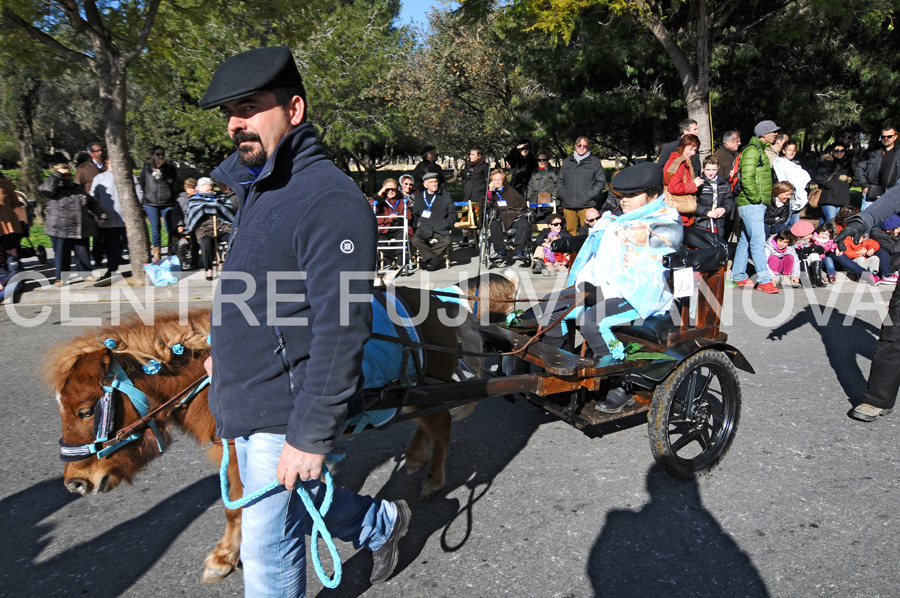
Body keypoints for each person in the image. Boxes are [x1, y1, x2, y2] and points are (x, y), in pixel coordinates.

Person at [198, 46, 410, 595]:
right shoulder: (260, 190)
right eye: (229, 112)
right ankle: (379, 523)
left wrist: (311, 436)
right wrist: (226, 354)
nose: (234, 123)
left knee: (267, 556)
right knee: (294, 496)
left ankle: (375, 522)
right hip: (247, 393)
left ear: (294, 110)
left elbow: (341, 329)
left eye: (249, 106)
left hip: (284, 410)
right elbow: (264, 293)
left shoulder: (329, 199)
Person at [529, 161, 682, 412]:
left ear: (653, 196)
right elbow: (601, 246)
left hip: (640, 293)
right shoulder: (618, 220)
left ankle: (619, 384)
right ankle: (565, 374)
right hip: (607, 286)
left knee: (593, 321)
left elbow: (649, 261)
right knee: (550, 307)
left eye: (633, 195)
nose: (624, 201)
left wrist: (615, 233)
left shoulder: (665, 222)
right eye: (623, 196)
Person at [731, 120, 780, 294]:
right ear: (763, 134)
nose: (776, 134)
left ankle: (738, 276)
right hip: (752, 204)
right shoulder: (753, 150)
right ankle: (765, 280)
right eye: (773, 131)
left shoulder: (757, 148)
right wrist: (756, 198)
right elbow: (747, 177)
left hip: (753, 204)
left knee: (746, 240)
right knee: (758, 242)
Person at [39, 164, 107, 284]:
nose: (67, 177)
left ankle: (86, 274)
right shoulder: (52, 189)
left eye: (69, 174)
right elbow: (45, 189)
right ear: (56, 175)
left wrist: (100, 214)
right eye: (63, 175)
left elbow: (91, 202)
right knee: (61, 254)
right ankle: (61, 278)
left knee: (83, 253)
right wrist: (57, 176)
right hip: (59, 228)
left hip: (79, 226)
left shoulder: (77, 188)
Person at [89, 158, 138, 284]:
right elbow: (93, 198)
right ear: (107, 165)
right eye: (111, 163)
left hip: (128, 219)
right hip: (108, 220)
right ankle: (112, 269)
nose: (113, 165)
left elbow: (139, 192)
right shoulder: (99, 178)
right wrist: (98, 214)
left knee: (132, 245)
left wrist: (136, 208)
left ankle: (138, 268)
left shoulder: (129, 176)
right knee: (112, 247)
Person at [184, 177, 234, 281]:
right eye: (207, 191)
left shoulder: (220, 197)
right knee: (206, 242)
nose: (210, 192)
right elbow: (193, 211)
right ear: (199, 189)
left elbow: (229, 208)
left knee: (233, 237)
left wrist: (216, 206)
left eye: (211, 190)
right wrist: (211, 206)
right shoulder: (193, 200)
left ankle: (234, 264)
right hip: (204, 228)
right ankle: (209, 269)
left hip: (221, 225)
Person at [556, 136, 607, 236]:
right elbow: (560, 180)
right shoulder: (567, 162)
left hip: (587, 205)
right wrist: (564, 195)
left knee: (588, 233)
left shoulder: (595, 162)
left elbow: (601, 181)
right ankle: (572, 252)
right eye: (579, 145)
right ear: (575, 146)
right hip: (568, 204)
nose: (582, 147)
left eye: (585, 146)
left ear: (588, 147)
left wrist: (590, 194)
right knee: (570, 233)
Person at [139, 145, 178, 261]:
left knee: (170, 228)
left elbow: (171, 181)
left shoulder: (170, 168)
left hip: (167, 203)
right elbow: (141, 184)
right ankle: (157, 254)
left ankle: (172, 252)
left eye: (162, 154)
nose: (160, 156)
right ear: (152, 156)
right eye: (158, 154)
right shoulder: (146, 168)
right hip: (151, 203)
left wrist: (162, 169)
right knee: (155, 229)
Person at [411, 171, 454, 271]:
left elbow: (453, 214)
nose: (435, 184)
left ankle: (426, 259)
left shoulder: (445, 196)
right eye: (431, 182)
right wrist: (418, 223)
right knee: (415, 240)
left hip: (440, 227)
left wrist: (446, 224)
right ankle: (434, 259)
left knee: (447, 240)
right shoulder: (419, 197)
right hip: (424, 228)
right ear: (425, 184)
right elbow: (415, 213)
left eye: (436, 181)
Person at [486, 169, 528, 262]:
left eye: (500, 180)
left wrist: (512, 210)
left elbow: (521, 204)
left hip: (513, 217)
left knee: (524, 223)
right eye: (495, 180)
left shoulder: (510, 191)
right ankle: (500, 250)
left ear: (503, 181)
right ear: (491, 181)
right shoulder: (488, 193)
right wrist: (490, 191)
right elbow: (485, 205)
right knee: (494, 224)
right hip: (498, 218)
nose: (497, 182)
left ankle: (518, 250)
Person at [855, 125, 900, 210]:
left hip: (892, 192)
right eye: (883, 136)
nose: (886, 138)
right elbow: (859, 167)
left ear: (895, 137)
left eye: (889, 136)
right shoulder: (872, 151)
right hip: (872, 190)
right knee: (866, 220)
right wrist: (864, 185)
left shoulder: (898, 153)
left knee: (888, 222)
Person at [663, 134, 703, 223]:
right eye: (690, 149)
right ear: (682, 147)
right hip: (678, 215)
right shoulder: (678, 164)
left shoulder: (682, 162)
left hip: (679, 214)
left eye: (695, 150)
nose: (692, 153)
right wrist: (694, 185)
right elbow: (674, 187)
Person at [0, 173, 26, 303]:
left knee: (12, 262)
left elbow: (15, 203)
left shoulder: (5, 184)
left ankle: (10, 285)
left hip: (10, 228)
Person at [772, 141, 811, 227]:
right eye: (789, 150)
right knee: (784, 222)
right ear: (784, 150)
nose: (792, 152)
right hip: (786, 195)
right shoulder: (780, 163)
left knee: (794, 224)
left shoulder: (795, 164)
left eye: (794, 150)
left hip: (796, 195)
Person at [693, 155, 733, 237]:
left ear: (718, 168)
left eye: (714, 170)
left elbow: (729, 200)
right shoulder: (699, 183)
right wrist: (706, 212)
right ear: (702, 168)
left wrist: (724, 209)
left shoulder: (724, 184)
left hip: (718, 223)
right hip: (702, 223)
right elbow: (693, 203)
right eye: (708, 170)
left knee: (716, 246)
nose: (711, 173)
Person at [814, 143, 852, 224]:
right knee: (832, 220)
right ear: (832, 152)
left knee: (825, 219)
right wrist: (829, 184)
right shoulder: (826, 162)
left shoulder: (847, 164)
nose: (839, 152)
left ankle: (817, 235)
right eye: (837, 150)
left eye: (842, 151)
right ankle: (831, 236)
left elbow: (850, 178)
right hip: (829, 196)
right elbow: (818, 177)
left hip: (841, 197)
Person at [461, 147, 489, 246]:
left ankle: (477, 240)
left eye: (473, 155)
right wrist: (464, 186)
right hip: (467, 196)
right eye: (470, 154)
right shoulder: (467, 165)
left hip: (478, 196)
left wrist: (482, 188)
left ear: (479, 156)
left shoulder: (484, 166)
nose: (470, 156)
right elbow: (464, 178)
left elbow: (489, 180)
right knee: (465, 219)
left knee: (477, 221)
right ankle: (465, 239)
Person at [174, 178, 200, 270]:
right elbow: (176, 214)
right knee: (182, 244)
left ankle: (195, 262)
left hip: (197, 226)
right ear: (186, 189)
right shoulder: (181, 200)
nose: (193, 189)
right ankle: (182, 260)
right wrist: (179, 225)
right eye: (190, 187)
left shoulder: (199, 198)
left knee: (195, 240)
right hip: (186, 227)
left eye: (194, 187)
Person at [527, 150, 558, 220]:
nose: (541, 162)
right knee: (537, 220)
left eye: (544, 160)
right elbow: (530, 185)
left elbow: (558, 183)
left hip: (549, 200)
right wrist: (528, 198)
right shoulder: (534, 172)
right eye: (539, 160)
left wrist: (554, 195)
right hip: (535, 200)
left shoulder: (553, 171)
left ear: (548, 160)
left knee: (549, 220)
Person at [869, 214, 900, 282]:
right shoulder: (877, 234)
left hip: (892, 258)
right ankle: (887, 275)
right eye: (897, 228)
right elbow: (893, 249)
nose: (899, 230)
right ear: (888, 230)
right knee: (882, 251)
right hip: (883, 263)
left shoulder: (893, 233)